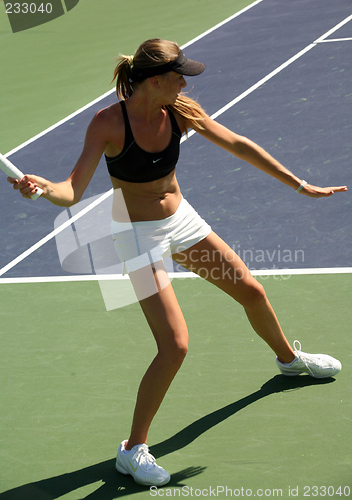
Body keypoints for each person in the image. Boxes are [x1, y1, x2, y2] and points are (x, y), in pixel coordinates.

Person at [9, 38, 346, 487]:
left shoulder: (179, 110)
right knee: (176, 345)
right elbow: (71, 190)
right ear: (153, 81)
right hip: (135, 235)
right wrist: (42, 187)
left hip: (182, 221)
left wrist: (299, 185)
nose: (186, 81)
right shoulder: (108, 124)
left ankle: (287, 360)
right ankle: (132, 450)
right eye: (178, 74)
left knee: (251, 291)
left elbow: (238, 144)